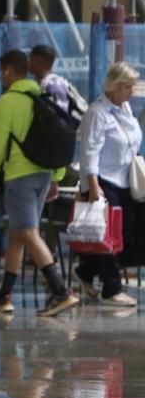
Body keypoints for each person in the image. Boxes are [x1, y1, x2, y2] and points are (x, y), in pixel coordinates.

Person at [0, 49, 79, 316]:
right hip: (44, 175)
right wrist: (57, 178)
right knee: (18, 234)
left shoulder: (7, 102)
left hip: (20, 177)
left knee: (27, 233)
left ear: (8, 71)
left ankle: (60, 292)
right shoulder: (42, 97)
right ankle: (4, 295)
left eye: (2, 71)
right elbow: (56, 138)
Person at [74, 62, 142, 306]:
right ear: (113, 86)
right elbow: (89, 151)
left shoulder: (126, 109)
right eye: (127, 86)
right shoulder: (98, 112)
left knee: (125, 232)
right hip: (103, 181)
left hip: (124, 181)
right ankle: (111, 289)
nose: (131, 91)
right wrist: (93, 185)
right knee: (109, 234)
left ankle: (84, 272)